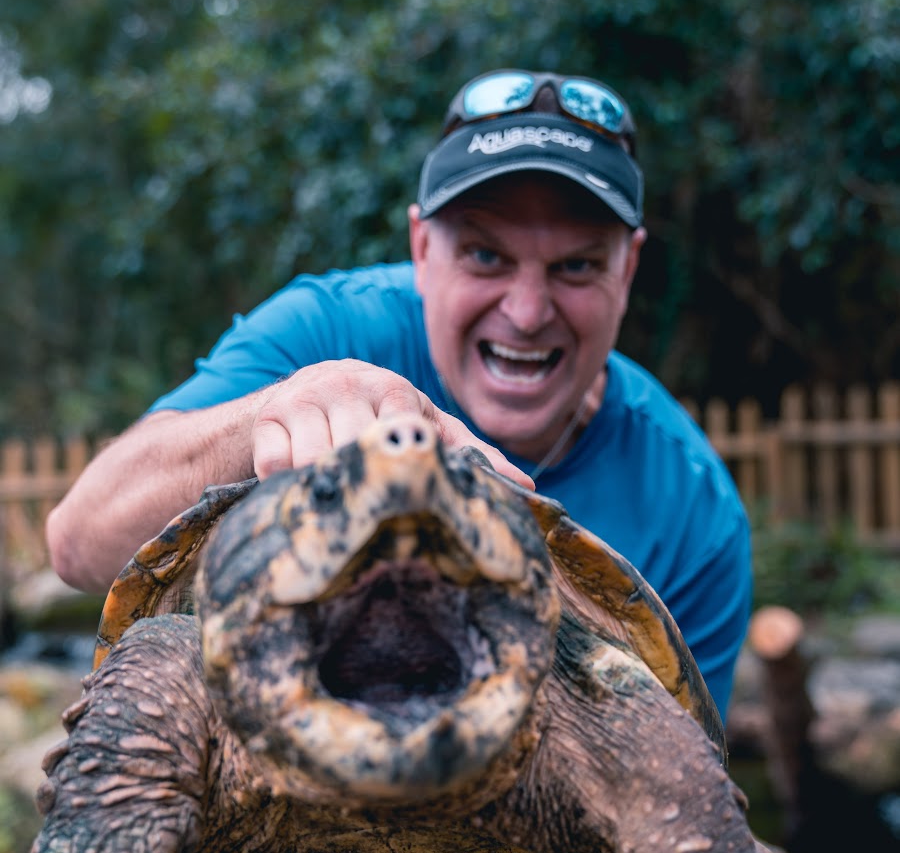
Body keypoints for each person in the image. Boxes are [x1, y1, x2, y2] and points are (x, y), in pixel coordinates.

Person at [46, 69, 751, 719]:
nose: (529, 311)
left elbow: (667, 780)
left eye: (577, 265)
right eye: (485, 255)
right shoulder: (327, 331)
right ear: (420, 248)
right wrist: (270, 413)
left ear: (627, 270)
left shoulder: (692, 510)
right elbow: (78, 544)